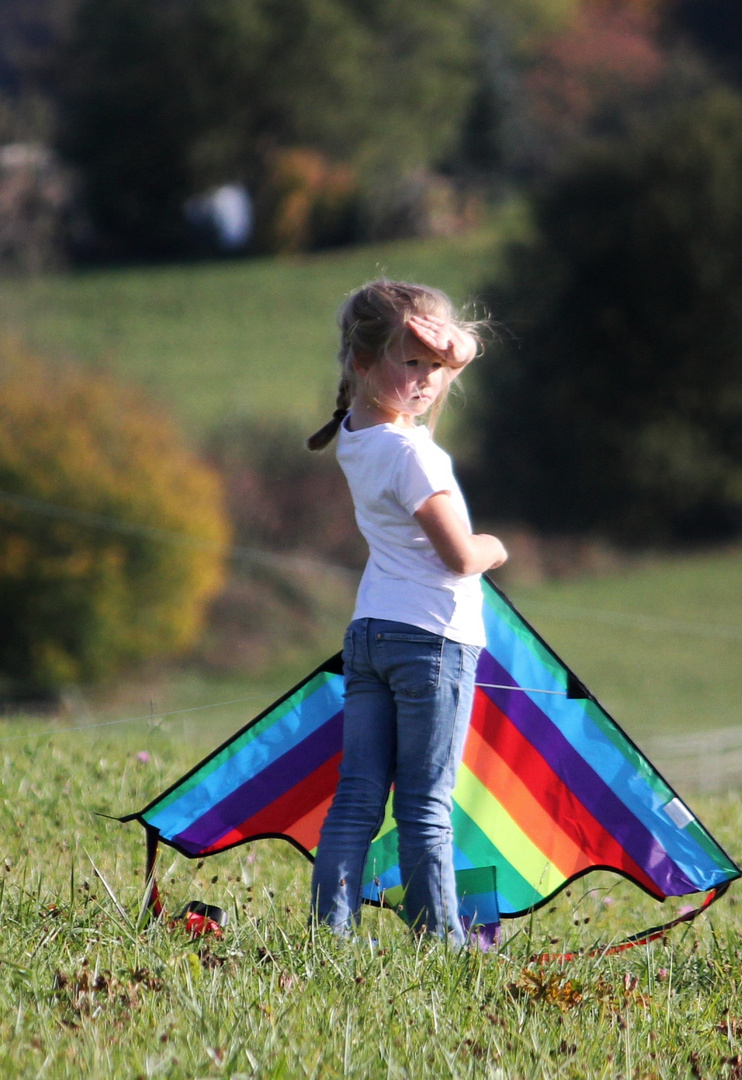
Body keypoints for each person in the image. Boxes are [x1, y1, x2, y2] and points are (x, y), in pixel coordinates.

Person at [306, 280, 507, 945]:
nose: (424, 381)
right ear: (363, 363)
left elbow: (453, 348)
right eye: (409, 363)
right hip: (432, 641)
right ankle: (441, 944)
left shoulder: (357, 432)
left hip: (369, 634)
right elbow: (457, 556)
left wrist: (453, 345)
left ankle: (329, 933)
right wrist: (494, 547)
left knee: (357, 796)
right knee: (425, 803)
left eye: (434, 368)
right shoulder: (411, 454)